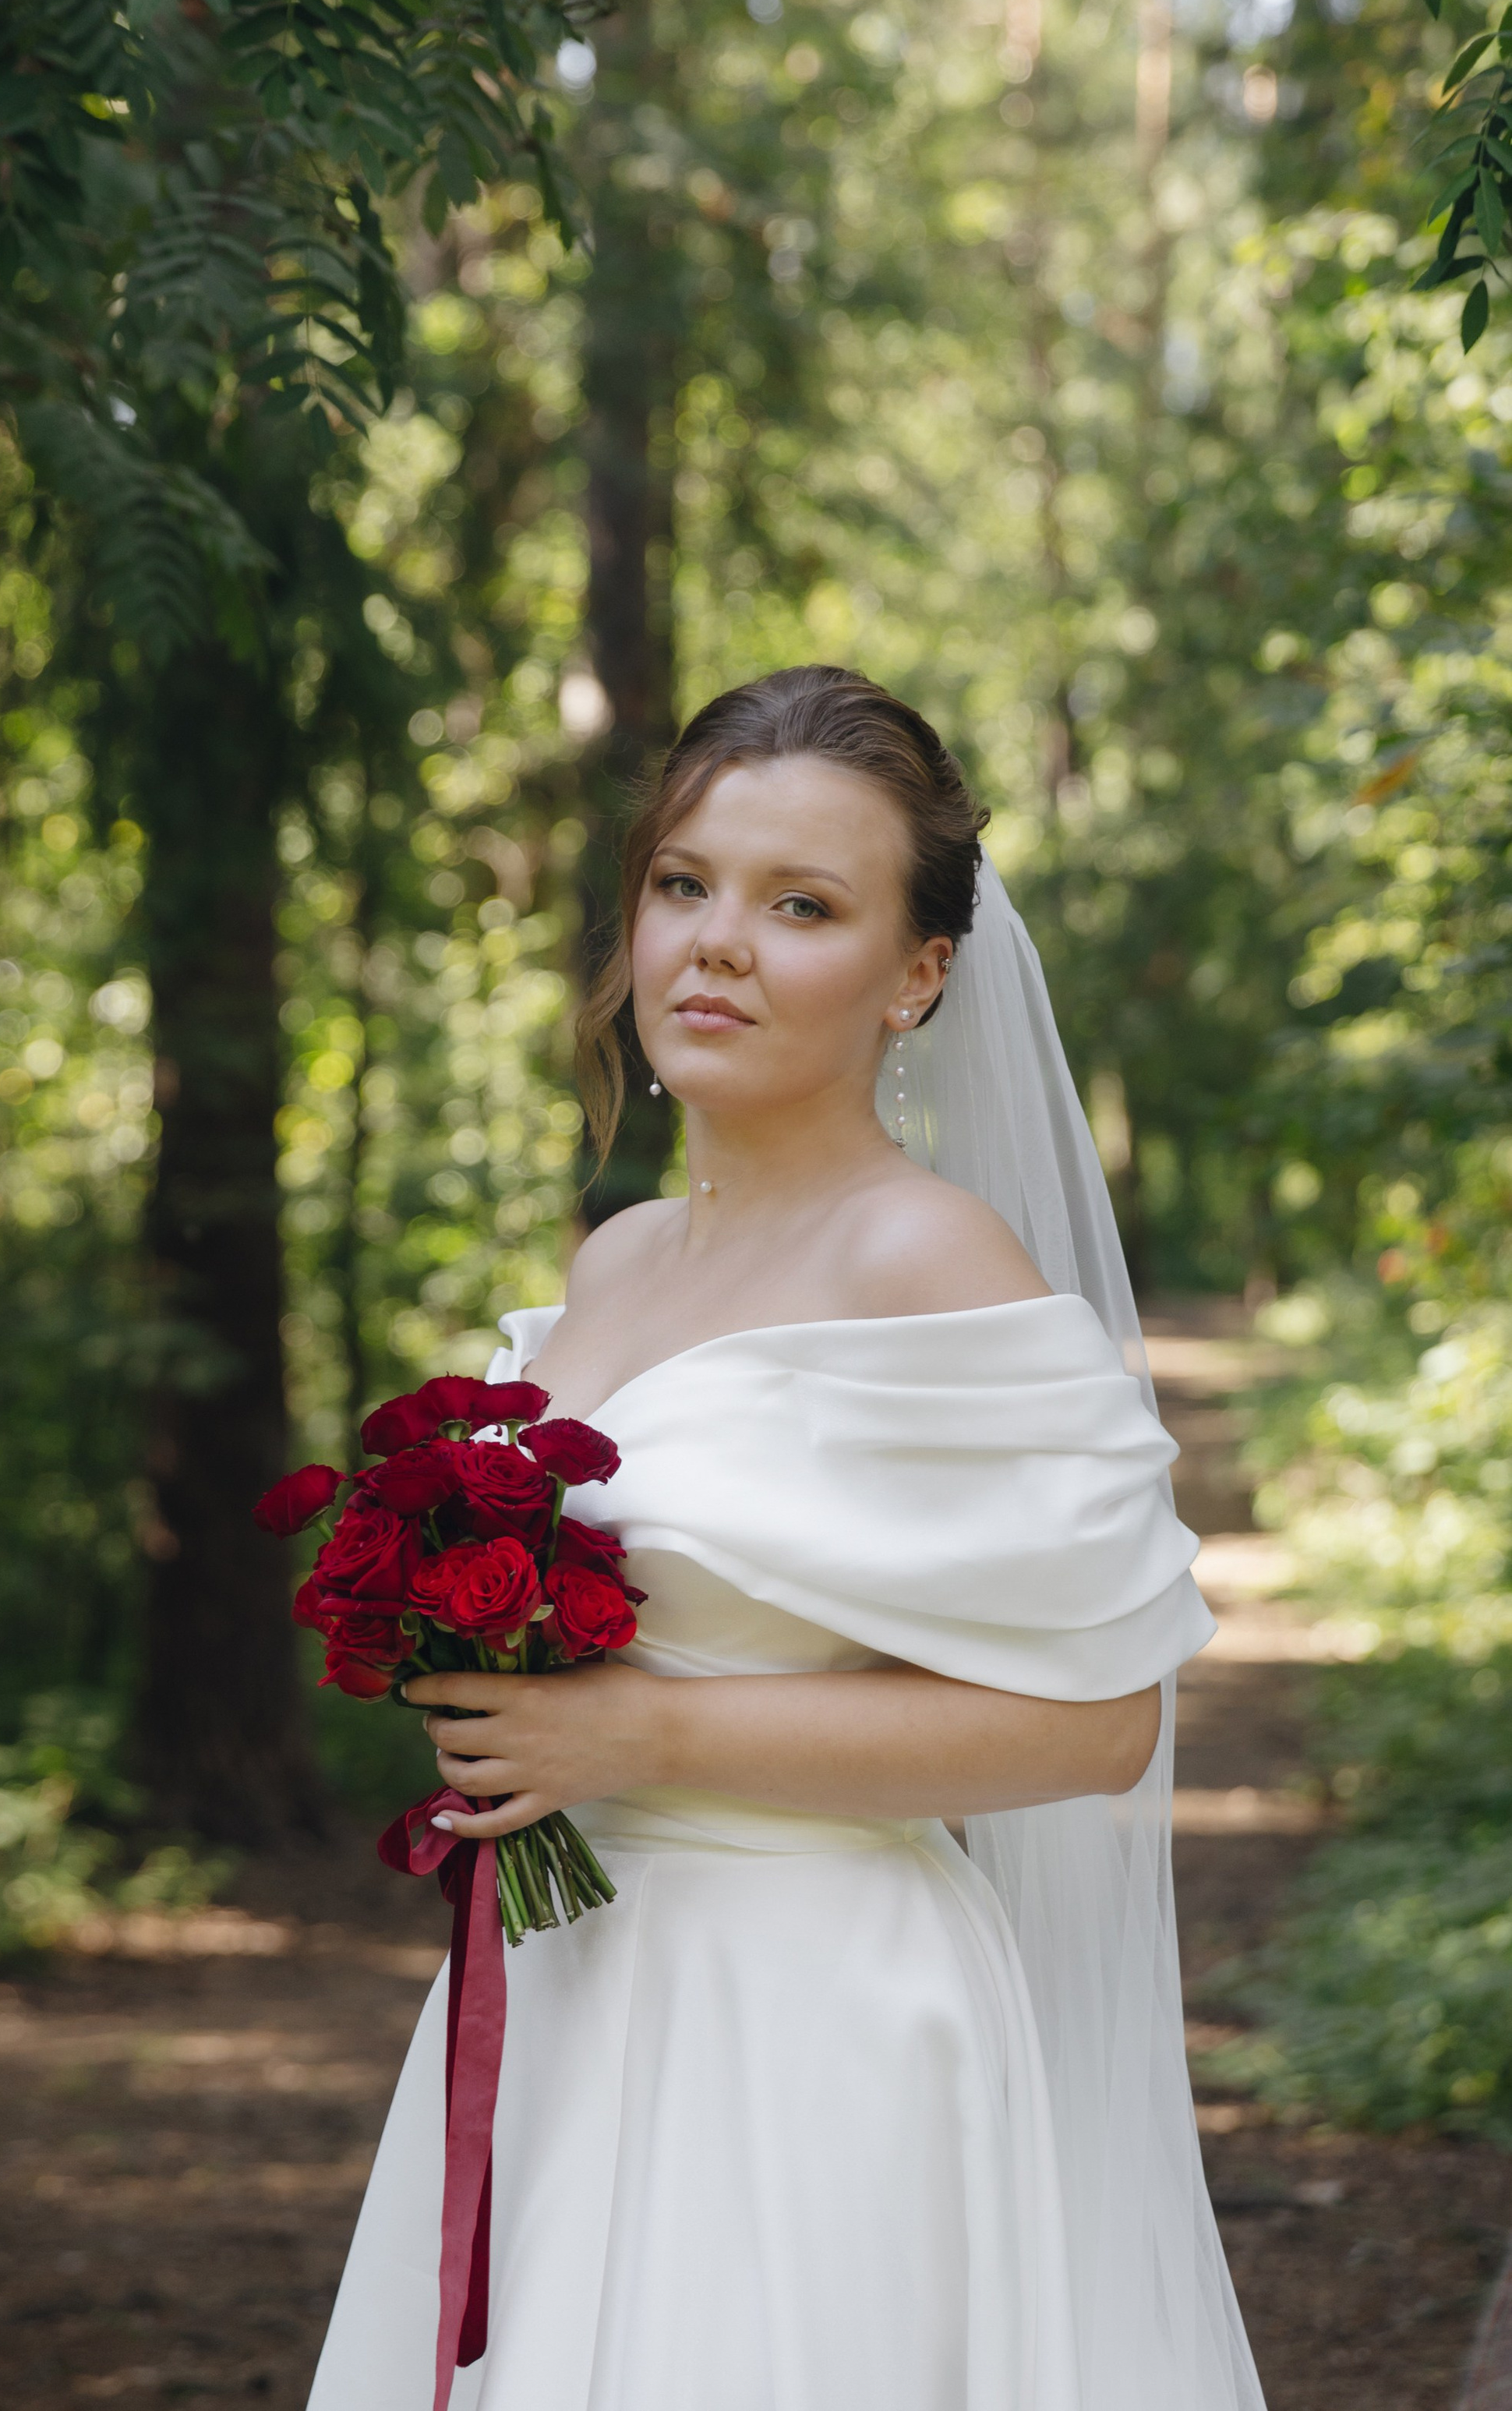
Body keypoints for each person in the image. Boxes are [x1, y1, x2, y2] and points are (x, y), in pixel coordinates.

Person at [308, 664, 1266, 2411]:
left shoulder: (927, 1260)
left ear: (917, 977)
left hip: (814, 2013)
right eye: (684, 884)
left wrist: (638, 1729)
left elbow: (1097, 1723)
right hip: (566, 1980)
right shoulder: (613, 1263)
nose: (716, 944)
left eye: (799, 905)